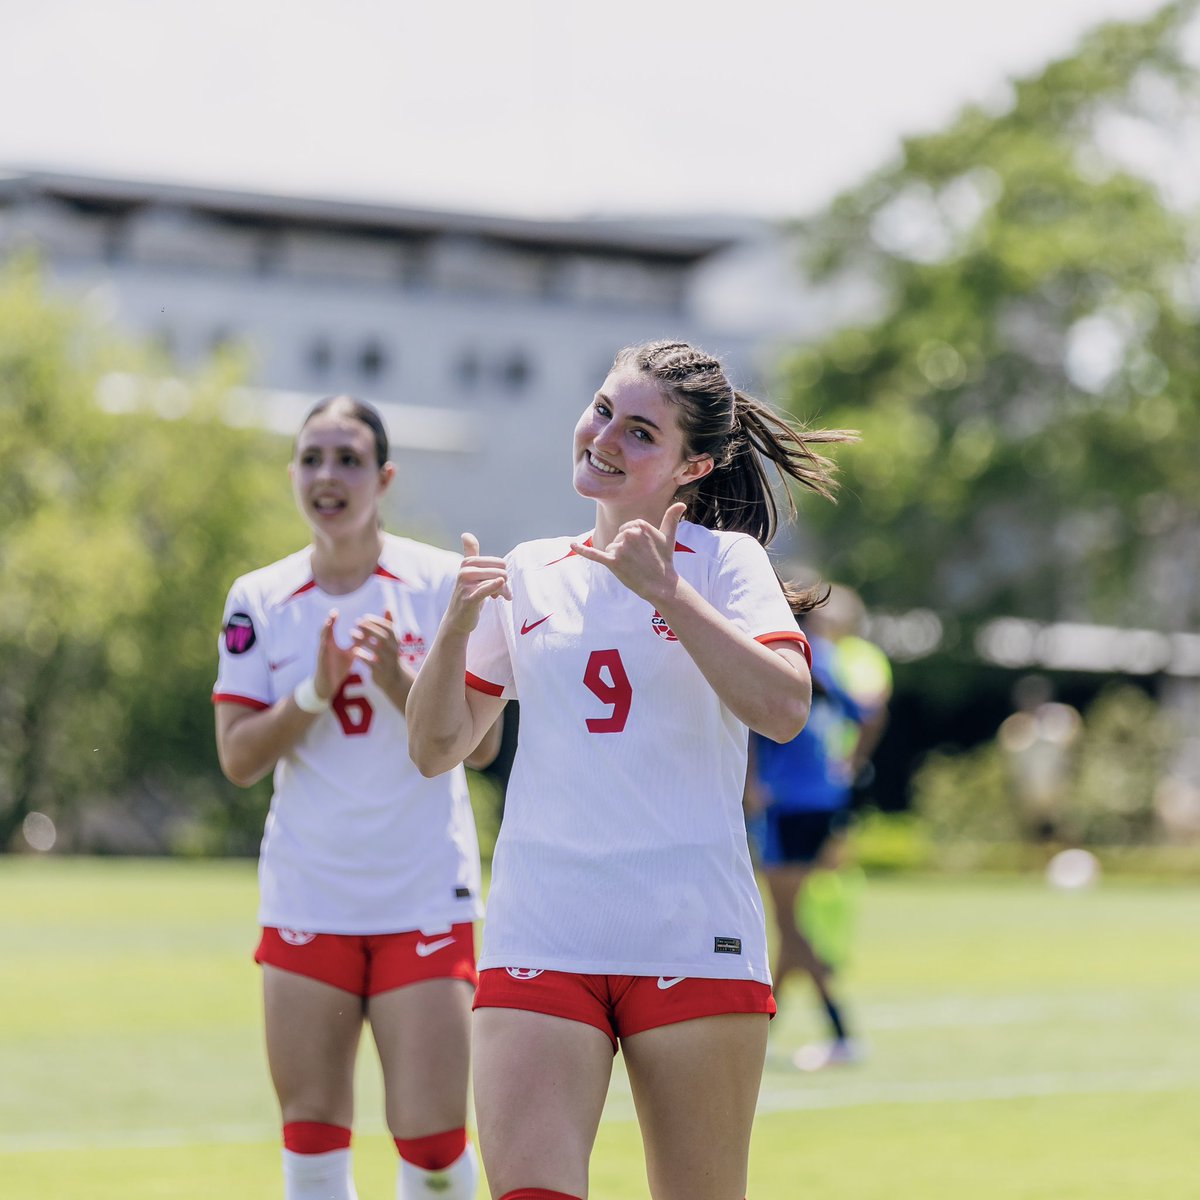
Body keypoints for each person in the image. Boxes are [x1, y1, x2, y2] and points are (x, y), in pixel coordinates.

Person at [406, 340, 853, 1200]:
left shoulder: (725, 565)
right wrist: (456, 627)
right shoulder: (531, 569)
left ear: (697, 462)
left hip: (692, 937)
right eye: (603, 409)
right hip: (543, 933)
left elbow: (785, 709)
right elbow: (433, 750)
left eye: (640, 430)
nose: (604, 436)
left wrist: (669, 596)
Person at [212, 395, 498, 1200]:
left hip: (423, 895)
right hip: (310, 891)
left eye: (348, 460)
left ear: (385, 476)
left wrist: (399, 679)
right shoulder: (258, 597)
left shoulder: (438, 579)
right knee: (311, 1138)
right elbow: (237, 759)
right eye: (311, 459)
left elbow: (480, 746)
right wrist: (313, 691)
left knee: (436, 1146)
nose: (327, 476)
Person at [744, 616, 870, 1072]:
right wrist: (848, 766)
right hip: (823, 801)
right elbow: (865, 715)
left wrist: (752, 782)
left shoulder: (776, 648)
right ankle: (766, 1031)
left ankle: (839, 1032)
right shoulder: (830, 658)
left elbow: (753, 716)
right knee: (788, 922)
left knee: (788, 922)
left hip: (787, 805)